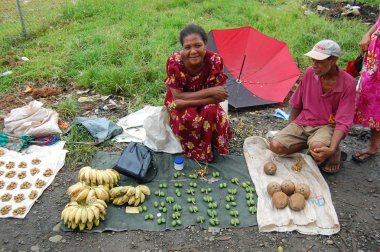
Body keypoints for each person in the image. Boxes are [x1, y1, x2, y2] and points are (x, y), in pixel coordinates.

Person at [269, 40, 356, 173]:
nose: (313, 65)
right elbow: (297, 103)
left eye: (319, 61)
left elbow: (343, 121)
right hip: (304, 121)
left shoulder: (348, 83)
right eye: (312, 60)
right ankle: (310, 142)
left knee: (318, 148)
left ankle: (331, 147)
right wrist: (291, 128)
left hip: (327, 125)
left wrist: (332, 148)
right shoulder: (310, 73)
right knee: (276, 146)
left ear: (333, 60)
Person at [163, 24, 232, 162]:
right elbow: (177, 97)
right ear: (182, 48)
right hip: (178, 103)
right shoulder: (174, 62)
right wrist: (209, 91)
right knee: (188, 118)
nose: (193, 51)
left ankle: (208, 146)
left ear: (205, 44)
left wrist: (187, 102)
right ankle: (195, 147)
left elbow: (220, 96)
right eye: (187, 47)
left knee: (213, 112)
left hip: (189, 102)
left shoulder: (215, 61)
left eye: (198, 45)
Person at [352, 16, 380, 162]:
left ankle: (374, 146)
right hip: (375, 59)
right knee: (373, 100)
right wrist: (368, 34)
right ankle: (374, 145)